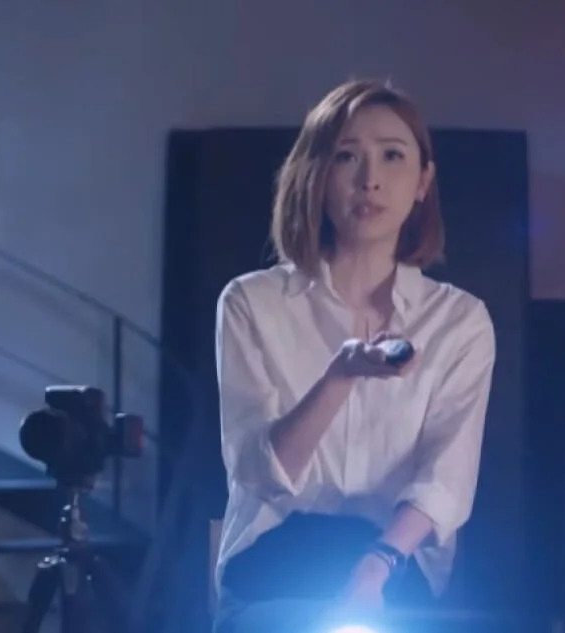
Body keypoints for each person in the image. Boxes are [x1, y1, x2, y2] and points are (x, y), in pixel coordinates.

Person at [211, 79, 496, 633]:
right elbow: (259, 471)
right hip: (274, 564)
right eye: (346, 156)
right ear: (316, 176)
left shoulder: (460, 320)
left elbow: (447, 479)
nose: (370, 179)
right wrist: (339, 377)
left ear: (423, 182)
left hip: (394, 562)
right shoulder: (251, 302)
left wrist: (379, 563)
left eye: (392, 156)